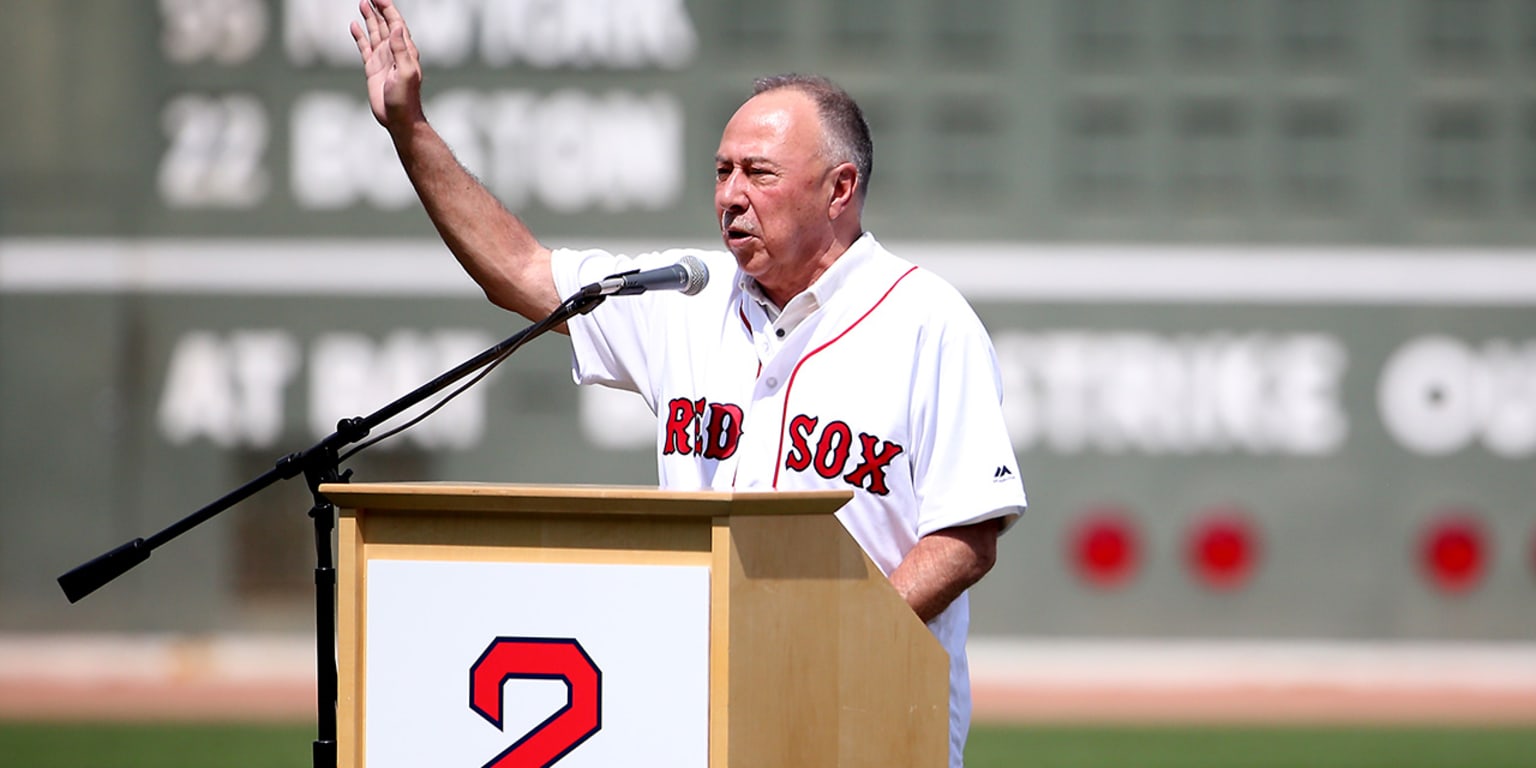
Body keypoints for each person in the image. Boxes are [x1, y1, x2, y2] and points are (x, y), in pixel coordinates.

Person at [352, 2, 1027, 765]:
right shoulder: (683, 298)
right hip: (699, 710)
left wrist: (836, 645)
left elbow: (966, 536)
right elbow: (519, 272)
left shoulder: (928, 320)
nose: (731, 193)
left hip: (867, 712)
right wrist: (410, 131)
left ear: (839, 189)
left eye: (759, 173)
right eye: (722, 171)